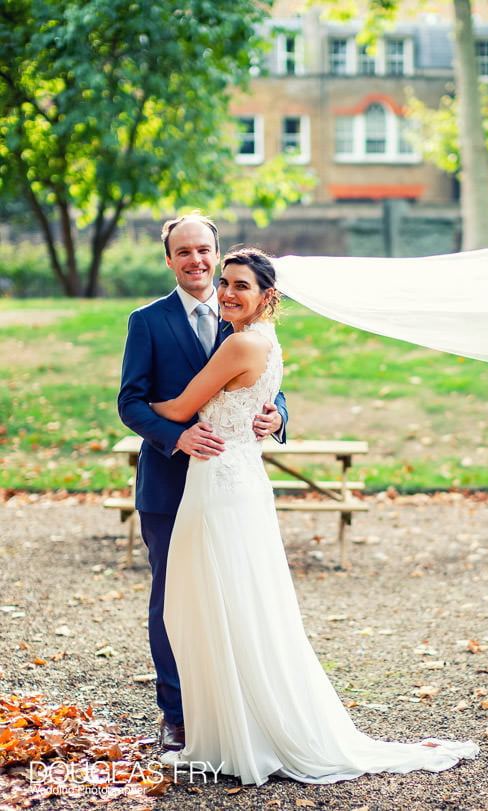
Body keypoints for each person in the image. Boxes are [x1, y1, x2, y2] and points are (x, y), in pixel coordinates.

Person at [151, 247, 478, 785]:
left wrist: (148, 408)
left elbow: (183, 407)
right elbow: (254, 396)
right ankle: (232, 731)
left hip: (220, 485)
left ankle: (245, 736)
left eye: (242, 286)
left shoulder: (240, 345)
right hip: (237, 481)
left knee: (220, 604)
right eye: (226, 283)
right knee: (234, 604)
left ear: (266, 296)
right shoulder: (266, 339)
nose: (228, 292)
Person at [117, 214, 288, 754]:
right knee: (174, 601)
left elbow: (269, 387)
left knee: (234, 596)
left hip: (229, 488)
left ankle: (234, 709)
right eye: (183, 251)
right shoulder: (147, 321)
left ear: (216, 255)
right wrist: (176, 438)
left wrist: (277, 418)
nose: (196, 260)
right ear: (169, 259)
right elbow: (130, 403)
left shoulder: (244, 314)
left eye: (204, 250)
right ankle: (178, 714)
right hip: (170, 486)